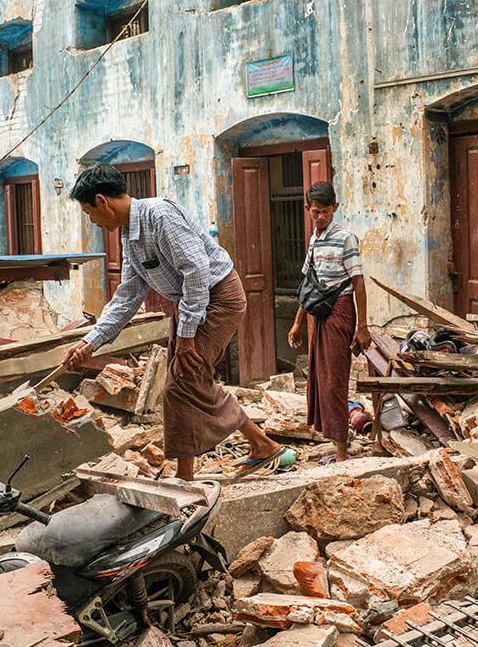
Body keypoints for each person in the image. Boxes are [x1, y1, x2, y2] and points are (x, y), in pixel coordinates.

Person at [62, 163, 288, 481]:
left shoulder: (159, 216)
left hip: (218, 297)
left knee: (181, 383)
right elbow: (127, 296)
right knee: (186, 381)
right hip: (192, 303)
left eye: (89, 213)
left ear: (102, 201)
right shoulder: (129, 236)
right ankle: (255, 446)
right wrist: (90, 342)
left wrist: (187, 337)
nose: (93, 221)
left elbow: (196, 270)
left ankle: (191, 474)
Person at [287, 181, 370, 463]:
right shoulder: (314, 239)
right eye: (316, 212)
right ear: (308, 209)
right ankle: (332, 440)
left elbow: (358, 283)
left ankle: (342, 452)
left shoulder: (346, 238)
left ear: (335, 208)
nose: (321, 217)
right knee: (319, 377)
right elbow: (308, 283)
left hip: (340, 310)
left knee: (335, 379)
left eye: (326, 212)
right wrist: (298, 322)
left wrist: (363, 327)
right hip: (318, 311)